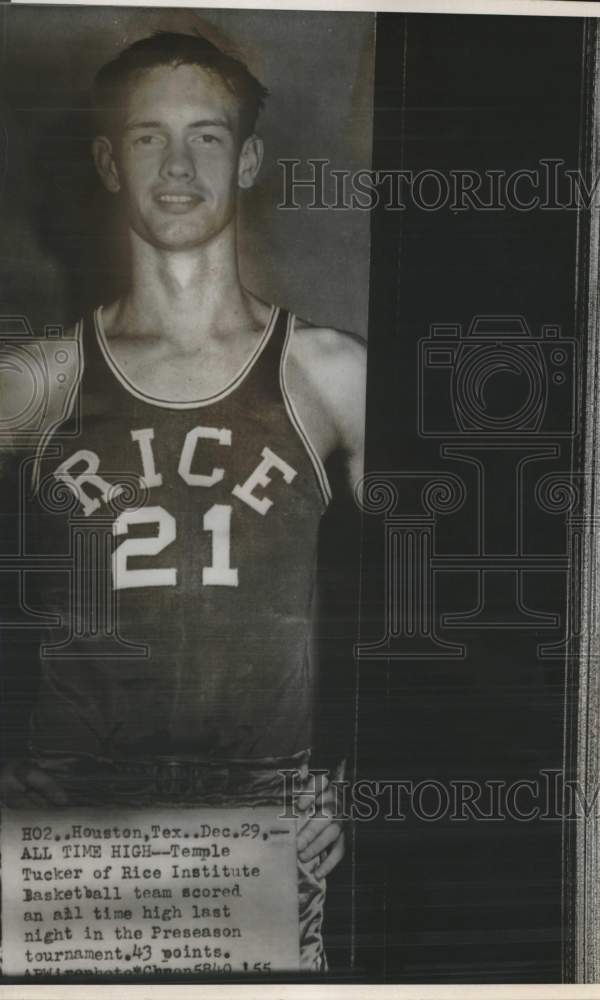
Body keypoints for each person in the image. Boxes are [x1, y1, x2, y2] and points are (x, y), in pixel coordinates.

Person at [0, 30, 366, 971]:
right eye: (147, 136)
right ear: (107, 161)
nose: (176, 165)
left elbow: (438, 609)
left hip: (258, 812)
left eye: (206, 137)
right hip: (70, 815)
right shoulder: (35, 384)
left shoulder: (327, 376)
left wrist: (354, 782)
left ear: (247, 160)